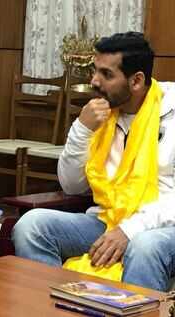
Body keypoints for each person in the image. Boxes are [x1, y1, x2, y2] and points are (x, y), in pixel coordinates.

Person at [13, 32, 175, 291]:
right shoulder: (100, 113)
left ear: (136, 81)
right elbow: (71, 186)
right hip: (106, 219)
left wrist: (130, 230)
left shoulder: (171, 111)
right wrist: (82, 129)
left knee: (144, 246)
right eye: (94, 70)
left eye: (106, 74)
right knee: (32, 226)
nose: (94, 81)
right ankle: (47, 308)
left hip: (163, 227)